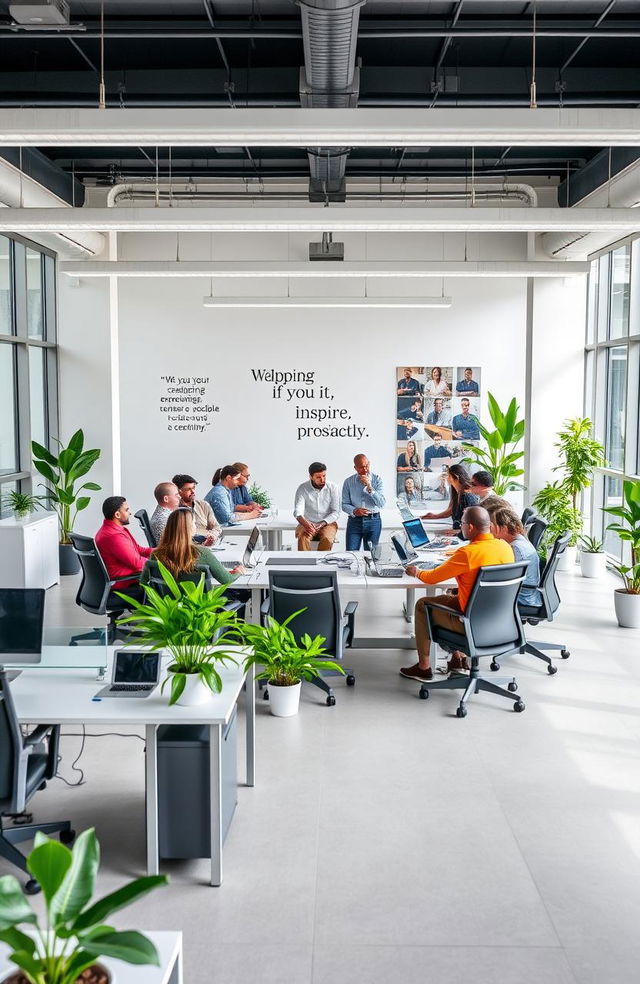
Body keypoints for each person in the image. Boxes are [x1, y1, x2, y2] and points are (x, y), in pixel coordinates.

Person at [399, 505, 515, 682]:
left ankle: (424, 667)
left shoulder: (467, 553)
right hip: (500, 621)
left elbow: (432, 578)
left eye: (461, 523)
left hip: (470, 621)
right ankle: (457, 659)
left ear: (469, 527)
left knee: (423, 605)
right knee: (454, 596)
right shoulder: (504, 547)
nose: (460, 526)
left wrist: (416, 572)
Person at [141, 507, 246, 590]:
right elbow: (226, 580)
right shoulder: (202, 553)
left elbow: (143, 583)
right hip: (198, 612)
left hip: (169, 612)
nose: (195, 526)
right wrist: (238, 571)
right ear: (189, 528)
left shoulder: (156, 555)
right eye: (194, 524)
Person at [95, 495, 153, 603]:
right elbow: (137, 563)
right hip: (123, 584)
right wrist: (161, 562)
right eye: (126, 510)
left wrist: (161, 551)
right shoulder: (114, 536)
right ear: (117, 514)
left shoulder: (116, 530)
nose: (130, 513)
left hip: (127, 579)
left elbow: (139, 550)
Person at [491, 506, 543, 608]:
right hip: (526, 594)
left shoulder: (516, 549)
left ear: (504, 528)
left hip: (522, 598)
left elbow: (505, 579)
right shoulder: (519, 541)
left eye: (492, 526)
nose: (490, 530)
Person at [420, 462, 479, 536]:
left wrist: (459, 532)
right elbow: (450, 511)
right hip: (457, 534)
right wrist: (435, 516)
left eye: (448, 476)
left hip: (465, 537)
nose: (446, 478)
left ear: (456, 477)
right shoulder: (457, 493)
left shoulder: (468, 497)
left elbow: (475, 524)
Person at [341, 453, 386, 550]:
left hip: (373, 521)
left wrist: (369, 487)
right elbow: (344, 504)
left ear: (369, 464)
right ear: (355, 468)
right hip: (354, 522)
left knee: (371, 556)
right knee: (351, 554)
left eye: (367, 466)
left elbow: (381, 504)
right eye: (361, 467)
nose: (365, 469)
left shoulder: (377, 480)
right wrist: (354, 511)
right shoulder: (348, 482)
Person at [293, 461, 340, 551]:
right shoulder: (302, 488)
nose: (322, 479)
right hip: (307, 522)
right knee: (303, 537)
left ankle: (322, 564)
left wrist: (321, 523)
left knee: (327, 539)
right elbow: (298, 511)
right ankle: (305, 563)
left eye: (324, 476)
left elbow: (336, 512)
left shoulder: (333, 488)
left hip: (327, 523)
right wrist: (306, 524)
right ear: (311, 477)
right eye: (318, 477)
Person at [173, 473, 221, 545]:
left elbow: (217, 527)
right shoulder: (174, 510)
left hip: (209, 545)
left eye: (193, 488)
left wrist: (212, 536)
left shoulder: (204, 505)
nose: (193, 492)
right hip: (189, 548)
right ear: (178, 491)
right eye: (188, 489)